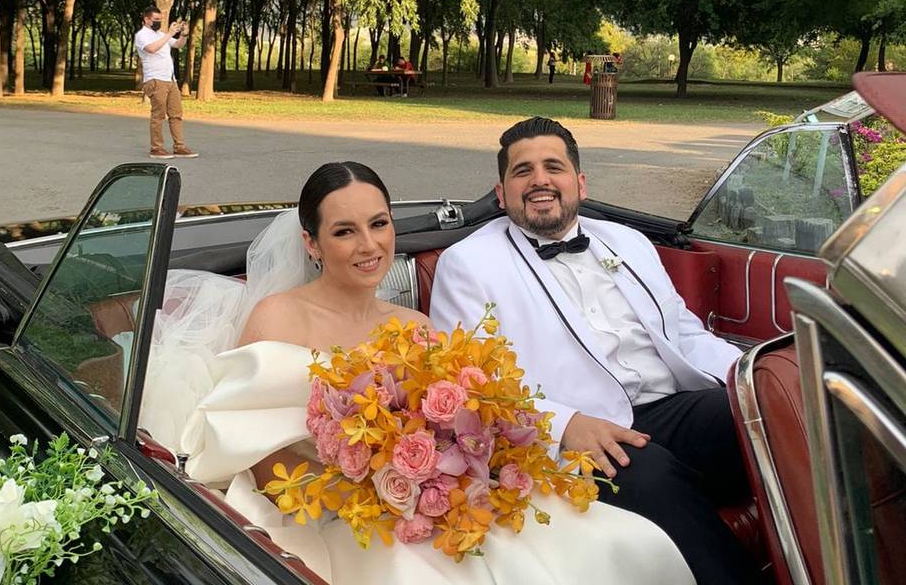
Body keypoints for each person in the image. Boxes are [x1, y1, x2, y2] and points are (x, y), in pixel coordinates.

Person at [177, 161, 695, 585]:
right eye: (343, 232)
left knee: (603, 542)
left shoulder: (417, 327)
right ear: (311, 243)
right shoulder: (278, 317)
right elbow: (260, 460)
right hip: (330, 514)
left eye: (379, 224)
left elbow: (464, 432)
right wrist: (381, 496)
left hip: (434, 505)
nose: (369, 245)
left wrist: (445, 485)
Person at [429, 117, 762, 584]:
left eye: (553, 167)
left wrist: (754, 375)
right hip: (578, 428)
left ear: (579, 183)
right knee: (646, 472)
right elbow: (473, 384)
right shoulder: (467, 264)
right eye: (522, 171)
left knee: (759, 417)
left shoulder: (629, 241)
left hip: (667, 404)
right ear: (501, 194)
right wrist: (565, 425)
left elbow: (683, 332)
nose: (540, 179)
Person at [134, 6, 198, 160]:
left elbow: (177, 45)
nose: (158, 22)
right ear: (146, 19)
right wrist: (169, 33)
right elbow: (151, 49)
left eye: (160, 20)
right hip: (155, 80)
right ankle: (156, 148)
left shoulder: (161, 34)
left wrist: (184, 34)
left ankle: (179, 146)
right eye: (156, 20)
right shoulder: (142, 35)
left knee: (176, 114)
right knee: (158, 115)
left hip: (170, 79)